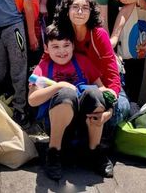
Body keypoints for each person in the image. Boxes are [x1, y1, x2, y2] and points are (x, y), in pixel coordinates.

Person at [29, 24, 114, 180]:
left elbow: (103, 90)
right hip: (58, 125)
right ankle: (54, 153)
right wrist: (59, 86)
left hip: (86, 124)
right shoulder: (43, 67)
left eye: (66, 45)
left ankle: (95, 151)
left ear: (73, 45)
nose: (62, 51)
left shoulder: (83, 62)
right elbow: (32, 100)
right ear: (46, 48)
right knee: (65, 94)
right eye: (55, 46)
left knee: (94, 93)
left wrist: (109, 111)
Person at [53, 0, 129, 154]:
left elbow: (112, 73)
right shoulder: (61, 33)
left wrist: (110, 105)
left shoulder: (98, 34)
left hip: (104, 86)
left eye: (85, 8)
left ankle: (98, 145)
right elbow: (46, 60)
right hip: (74, 88)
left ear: (91, 11)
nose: (80, 12)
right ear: (67, 10)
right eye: (75, 7)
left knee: (119, 110)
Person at [97, 0, 146, 102]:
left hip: (138, 25)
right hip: (114, 23)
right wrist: (108, 44)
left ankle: (134, 104)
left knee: (136, 64)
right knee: (117, 66)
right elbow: (102, 16)